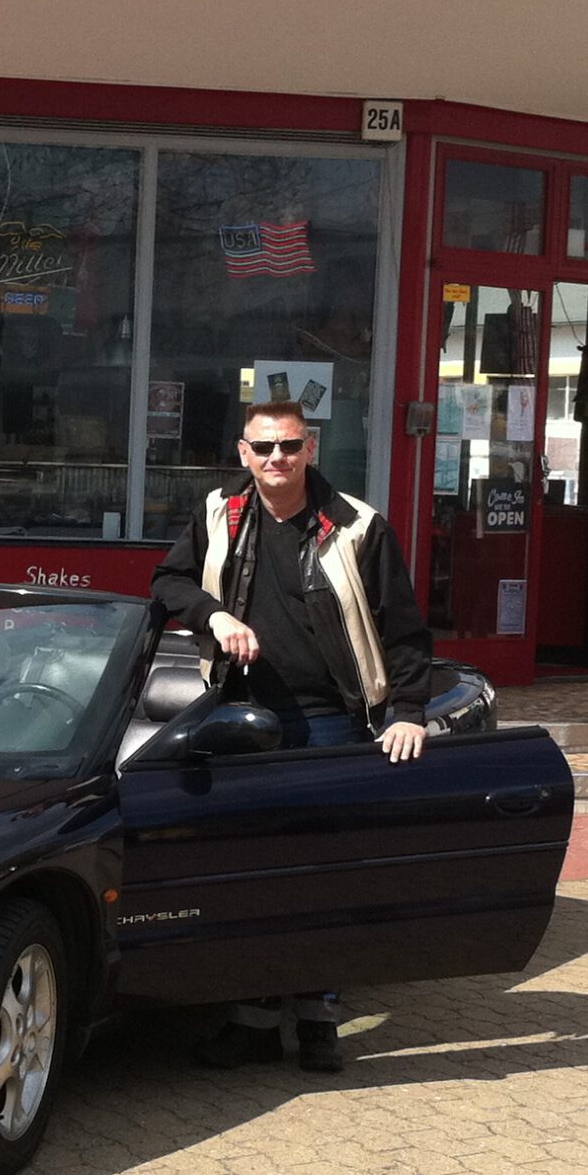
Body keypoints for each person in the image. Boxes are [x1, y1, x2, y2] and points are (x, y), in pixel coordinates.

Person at [151, 399, 434, 1074]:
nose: (276, 458)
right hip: (243, 718)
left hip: (334, 720)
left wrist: (407, 713)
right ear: (243, 454)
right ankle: (250, 1020)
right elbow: (168, 582)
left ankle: (317, 1020)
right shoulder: (221, 514)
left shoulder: (359, 527)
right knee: (252, 875)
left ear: (310, 449)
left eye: (289, 446)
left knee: (323, 875)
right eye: (264, 448)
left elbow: (405, 633)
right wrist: (213, 617)